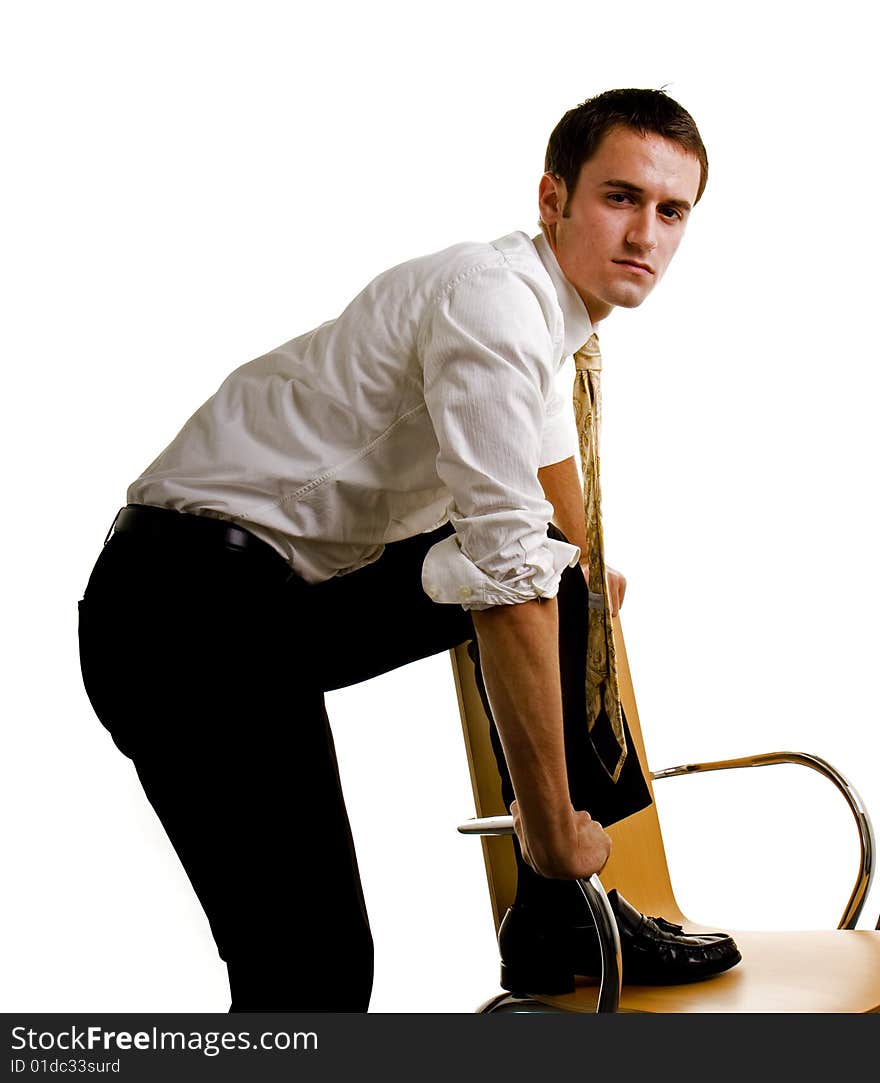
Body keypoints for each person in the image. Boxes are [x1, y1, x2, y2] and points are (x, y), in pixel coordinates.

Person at [77, 87, 740, 1012]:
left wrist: (585, 587)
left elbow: (555, 541)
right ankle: (558, 876)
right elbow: (511, 585)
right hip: (183, 613)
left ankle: (564, 916)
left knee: (561, 572)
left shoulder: (547, 326)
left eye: (672, 211)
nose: (646, 234)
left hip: (269, 605)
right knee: (311, 974)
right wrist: (548, 829)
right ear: (553, 199)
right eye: (620, 197)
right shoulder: (495, 308)